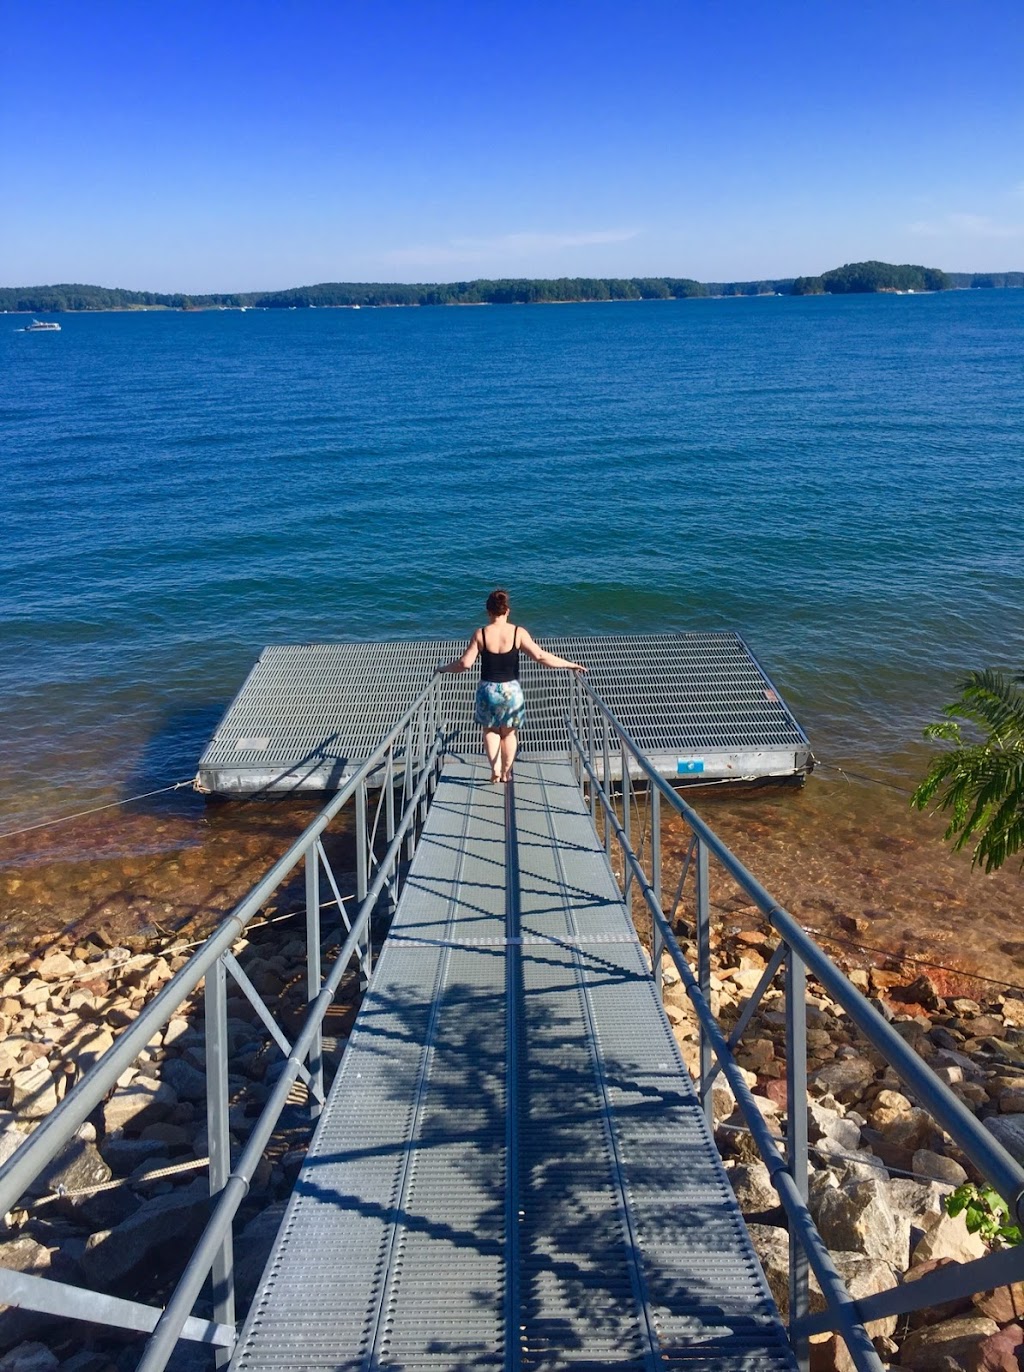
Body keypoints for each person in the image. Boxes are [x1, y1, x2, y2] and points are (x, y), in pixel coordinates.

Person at [437, 588, 586, 783]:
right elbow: (541, 656)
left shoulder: (481, 633)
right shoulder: (518, 633)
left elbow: (464, 664)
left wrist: (443, 668)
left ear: (488, 612)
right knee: (509, 733)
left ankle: (495, 770)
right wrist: (569, 664)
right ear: (507, 611)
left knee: (490, 731)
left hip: (488, 690)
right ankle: (507, 773)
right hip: (511, 691)